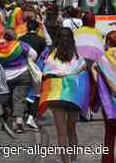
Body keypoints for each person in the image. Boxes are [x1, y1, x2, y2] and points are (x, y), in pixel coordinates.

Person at [38, 27, 90, 163]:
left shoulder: (51, 55)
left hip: (57, 96)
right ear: (72, 39)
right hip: (74, 95)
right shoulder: (78, 55)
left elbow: (45, 73)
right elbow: (83, 69)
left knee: (61, 134)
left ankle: (65, 161)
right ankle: (73, 160)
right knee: (71, 130)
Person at [0, 30, 37, 134]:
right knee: (19, 98)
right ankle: (18, 122)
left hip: (4, 76)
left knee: (6, 97)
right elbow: (34, 55)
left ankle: (7, 113)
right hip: (22, 74)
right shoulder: (22, 45)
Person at [91, 30, 116, 163]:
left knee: (110, 135)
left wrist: (99, 82)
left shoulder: (103, 58)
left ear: (107, 42)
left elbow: (94, 68)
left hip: (110, 103)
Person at [19, 19, 47, 130]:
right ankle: (31, 117)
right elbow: (44, 56)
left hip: (22, 68)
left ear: (27, 28)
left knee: (22, 92)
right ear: (37, 29)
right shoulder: (41, 40)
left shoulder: (21, 39)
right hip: (36, 69)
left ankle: (21, 116)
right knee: (36, 93)